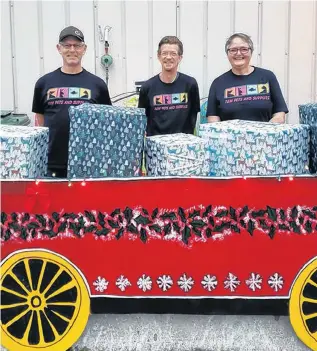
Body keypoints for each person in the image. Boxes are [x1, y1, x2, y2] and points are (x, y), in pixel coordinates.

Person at [32, 26, 112, 178]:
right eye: (67, 45)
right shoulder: (43, 83)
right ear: (59, 48)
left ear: (84, 49)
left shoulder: (97, 85)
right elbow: (40, 121)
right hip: (52, 163)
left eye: (77, 45)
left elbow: (105, 124)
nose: (72, 50)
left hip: (88, 162)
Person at [207, 33, 288, 123]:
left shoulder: (268, 77)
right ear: (227, 54)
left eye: (244, 49)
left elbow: (279, 114)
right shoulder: (218, 83)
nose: (238, 53)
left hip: (263, 136)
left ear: (251, 51)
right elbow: (212, 118)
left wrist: (264, 133)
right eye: (233, 50)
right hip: (230, 137)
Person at [138, 36, 200, 136]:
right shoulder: (147, 87)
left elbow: (193, 115)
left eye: (173, 54)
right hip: (156, 147)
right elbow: (142, 118)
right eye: (164, 53)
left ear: (180, 58)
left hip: (183, 145)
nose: (168, 57)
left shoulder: (190, 84)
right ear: (158, 56)